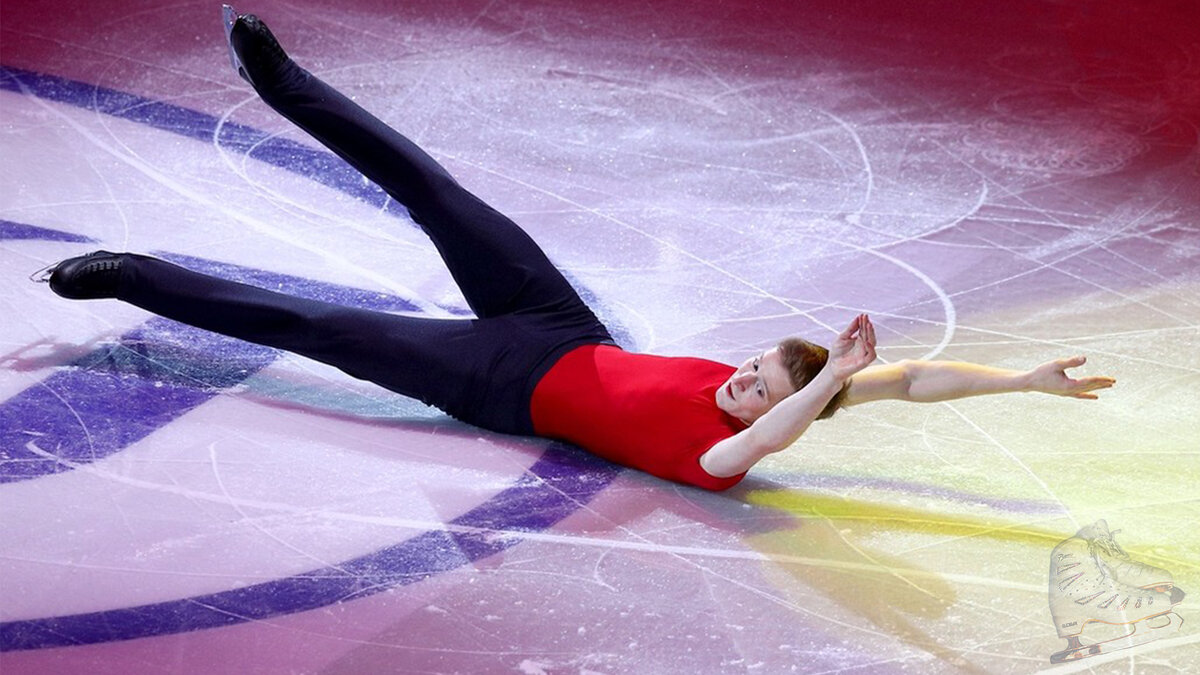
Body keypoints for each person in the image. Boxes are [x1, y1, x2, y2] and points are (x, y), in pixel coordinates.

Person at [37, 9, 1117, 491]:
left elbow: (778, 429)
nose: (740, 381)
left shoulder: (723, 459)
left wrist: (827, 380)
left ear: (783, 413)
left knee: (313, 327)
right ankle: (282, 80)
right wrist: (1022, 380)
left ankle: (123, 277)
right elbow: (912, 379)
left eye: (757, 387)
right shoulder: (765, 397)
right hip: (557, 324)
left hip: (497, 385)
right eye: (753, 365)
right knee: (437, 192)